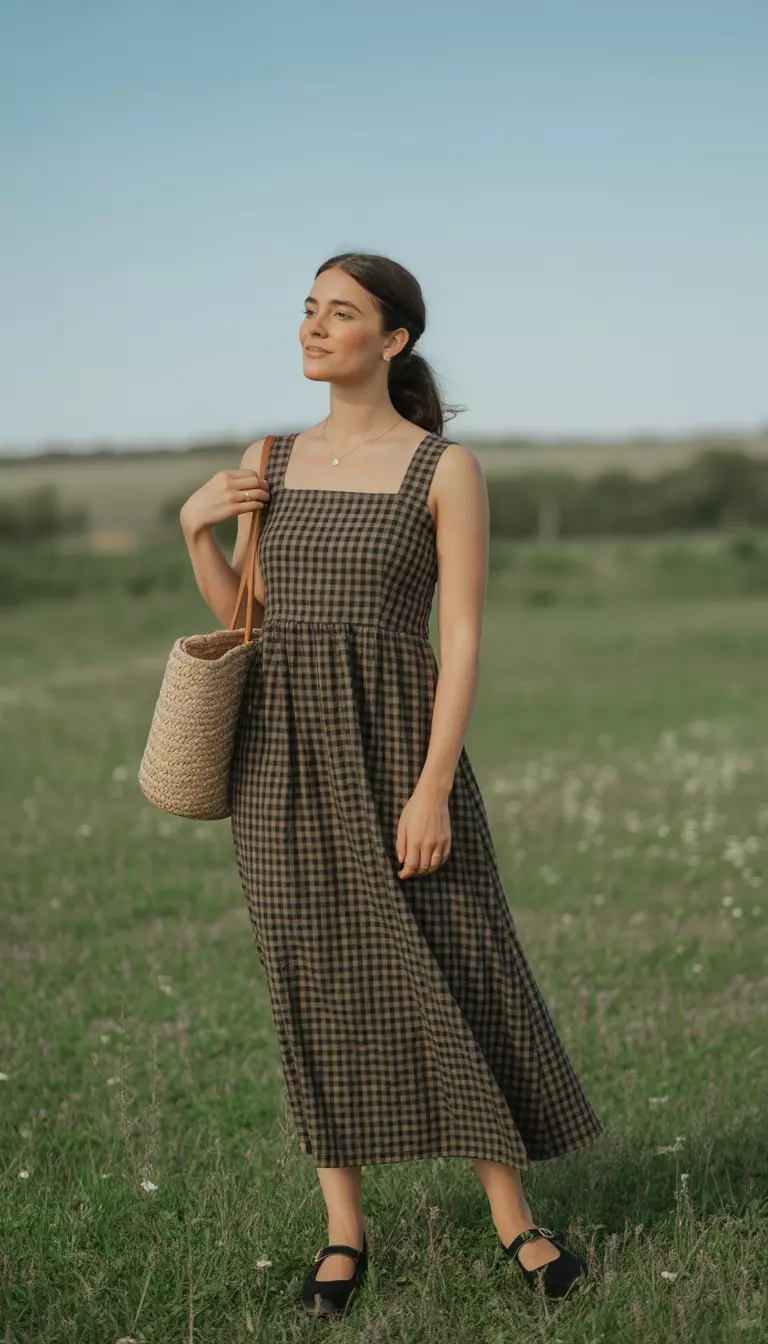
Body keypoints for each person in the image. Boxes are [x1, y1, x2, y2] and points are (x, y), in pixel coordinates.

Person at [179, 251, 604, 1318]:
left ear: (393, 339)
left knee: (458, 966)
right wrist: (197, 531)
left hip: (401, 752)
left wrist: (429, 790)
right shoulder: (268, 458)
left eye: (342, 313)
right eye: (308, 311)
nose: (315, 328)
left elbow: (458, 645)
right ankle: (342, 1233)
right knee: (310, 982)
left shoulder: (443, 470)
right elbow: (252, 619)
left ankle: (519, 1223)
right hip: (280, 759)